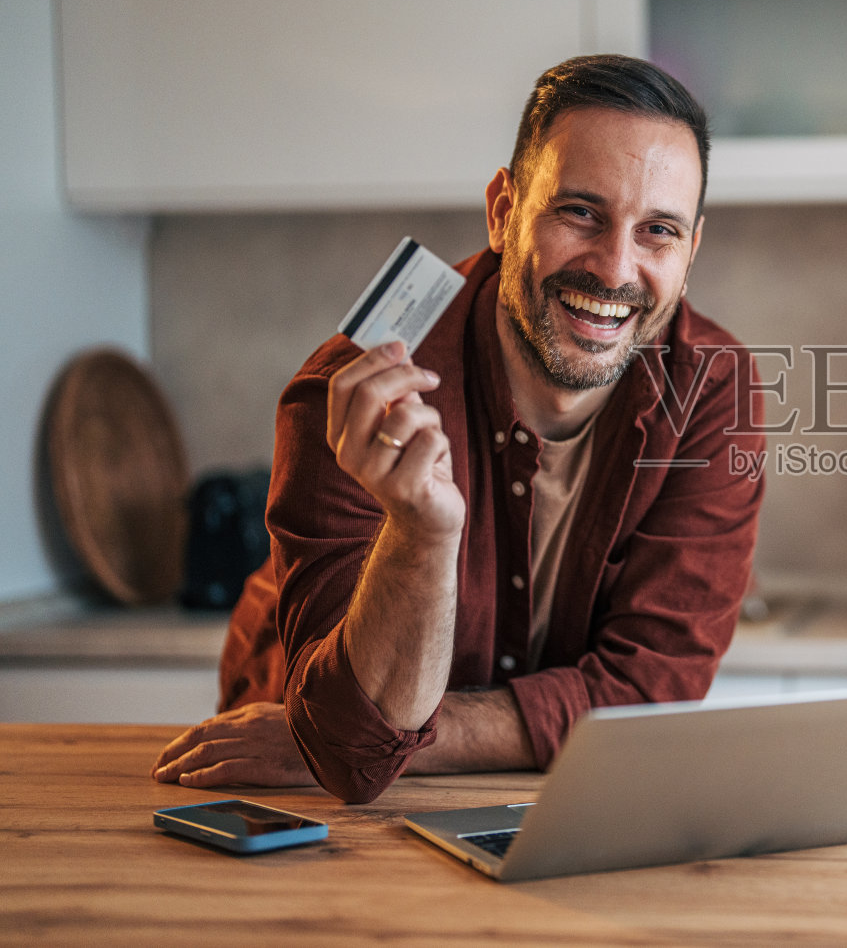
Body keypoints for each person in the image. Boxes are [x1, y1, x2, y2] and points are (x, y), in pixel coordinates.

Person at [152, 54, 765, 804]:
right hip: (303, 801)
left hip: (496, 790)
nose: (615, 268)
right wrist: (422, 534)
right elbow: (352, 756)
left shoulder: (712, 389)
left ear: (690, 253)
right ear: (504, 211)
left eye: (658, 231)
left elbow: (651, 692)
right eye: (580, 211)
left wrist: (364, 740)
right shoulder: (355, 391)